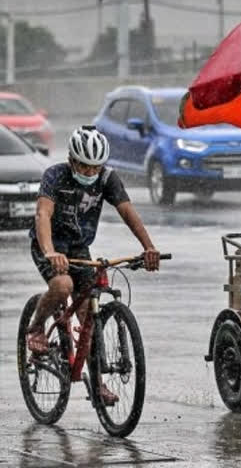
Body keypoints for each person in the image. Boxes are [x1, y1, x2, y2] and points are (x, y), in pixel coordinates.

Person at [26, 126, 161, 404]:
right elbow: (43, 214)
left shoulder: (108, 179)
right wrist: (50, 252)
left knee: (90, 312)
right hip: (50, 244)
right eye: (84, 167)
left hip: (79, 247)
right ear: (72, 160)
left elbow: (127, 211)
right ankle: (37, 327)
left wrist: (148, 247)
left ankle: (97, 383)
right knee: (63, 285)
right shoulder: (54, 175)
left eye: (95, 168)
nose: (90, 173)